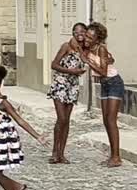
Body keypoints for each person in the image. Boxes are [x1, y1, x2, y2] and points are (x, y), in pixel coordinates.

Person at [0, 65, 49, 190]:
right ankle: (15, 187)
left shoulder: (3, 103)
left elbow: (20, 120)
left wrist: (37, 136)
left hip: (2, 141)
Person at [46, 22, 89, 164]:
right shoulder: (66, 46)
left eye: (83, 31)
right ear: (72, 33)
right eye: (76, 32)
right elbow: (54, 64)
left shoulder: (84, 49)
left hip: (73, 86)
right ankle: (54, 152)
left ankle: (61, 154)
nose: (80, 34)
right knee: (61, 118)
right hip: (60, 83)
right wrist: (71, 71)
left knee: (67, 120)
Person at [85, 22, 123, 167]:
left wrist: (88, 61)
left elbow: (103, 71)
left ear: (98, 39)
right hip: (104, 85)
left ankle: (116, 157)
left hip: (114, 83)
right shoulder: (89, 49)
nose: (87, 39)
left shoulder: (101, 49)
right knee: (106, 121)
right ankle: (112, 155)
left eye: (90, 37)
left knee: (111, 120)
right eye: (87, 36)